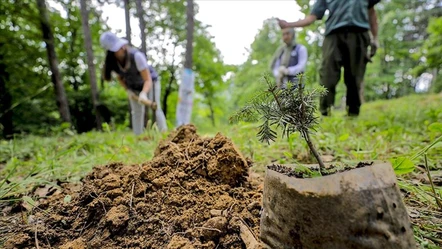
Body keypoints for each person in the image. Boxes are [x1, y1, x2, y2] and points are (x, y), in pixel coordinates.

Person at [278, 0, 380, 116]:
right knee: (327, 74)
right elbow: (312, 17)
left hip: (359, 33)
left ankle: (353, 113)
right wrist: (289, 25)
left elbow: (371, 12)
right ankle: (325, 112)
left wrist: (375, 38)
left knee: (355, 76)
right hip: (333, 35)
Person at [100, 31, 167, 134]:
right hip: (133, 86)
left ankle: (164, 132)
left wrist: (144, 94)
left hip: (150, 83)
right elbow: (120, 79)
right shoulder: (113, 63)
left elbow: (147, 79)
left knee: (156, 107)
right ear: (111, 52)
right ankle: (138, 136)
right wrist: (128, 91)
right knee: (136, 112)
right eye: (117, 48)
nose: (122, 48)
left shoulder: (137, 56)